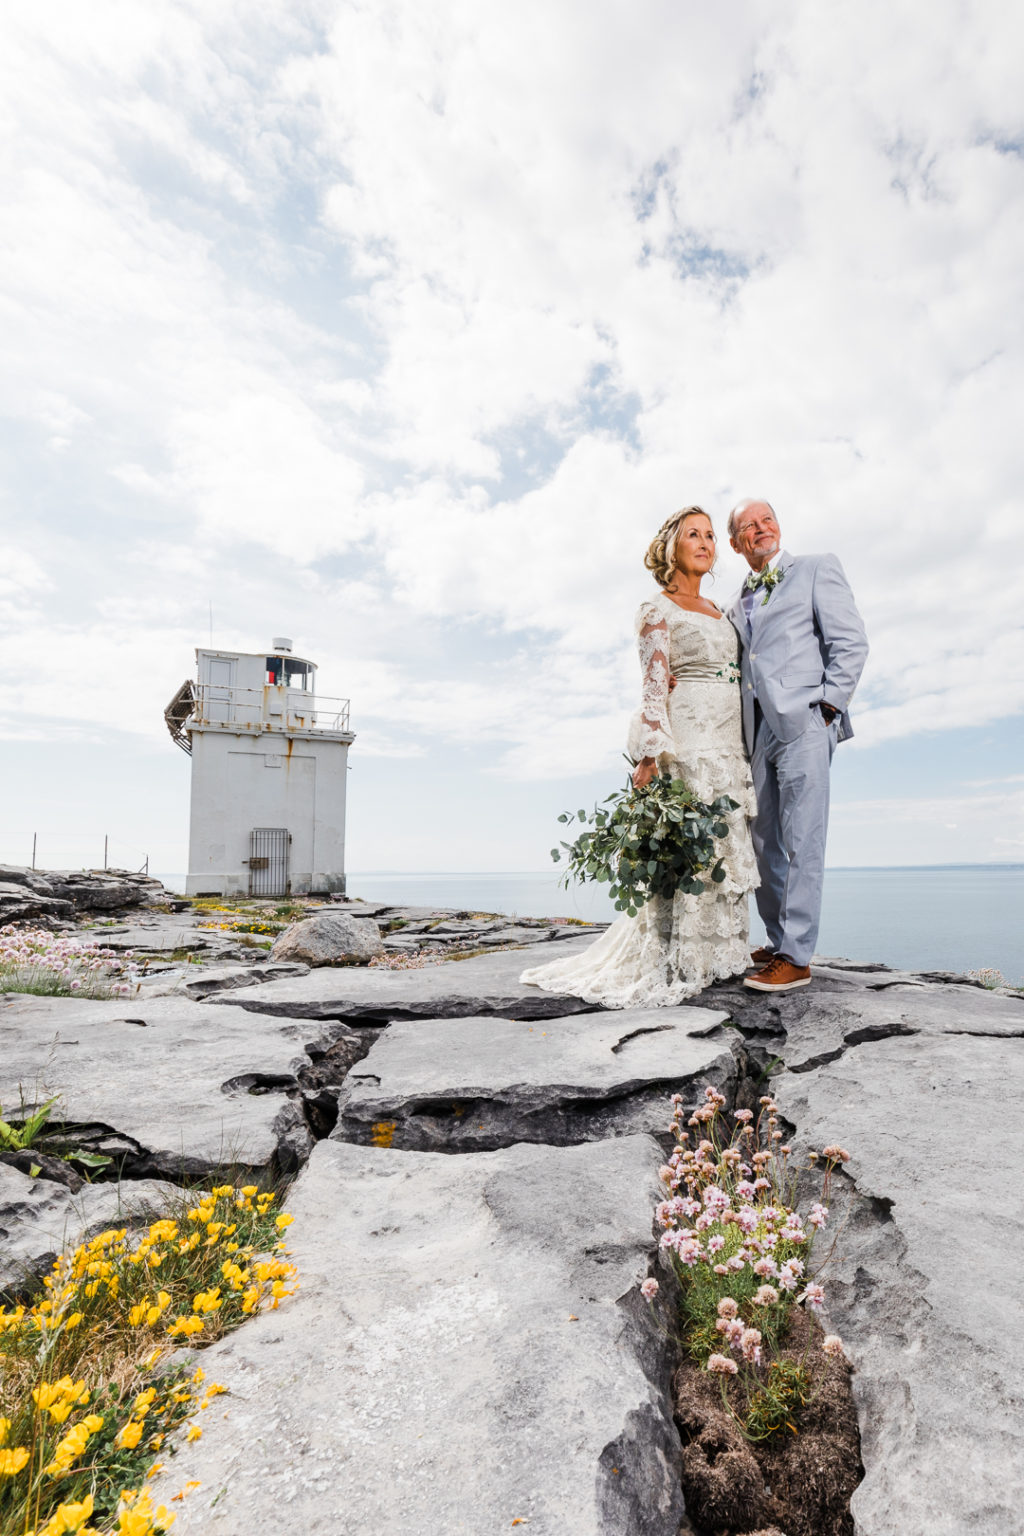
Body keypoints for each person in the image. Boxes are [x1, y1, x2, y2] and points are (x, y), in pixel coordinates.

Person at [521, 506, 758, 1008]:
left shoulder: (721, 610)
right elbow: (653, 687)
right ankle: (683, 958)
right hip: (689, 739)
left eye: (711, 535)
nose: (705, 542)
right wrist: (648, 760)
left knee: (724, 843)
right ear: (671, 545)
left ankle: (721, 956)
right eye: (693, 534)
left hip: (730, 739)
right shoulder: (657, 609)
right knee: (693, 849)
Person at [725, 498, 868, 993]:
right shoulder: (734, 602)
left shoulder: (814, 569)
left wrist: (828, 709)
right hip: (756, 731)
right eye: (748, 526)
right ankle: (780, 939)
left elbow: (850, 641)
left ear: (778, 527)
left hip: (806, 721)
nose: (761, 529)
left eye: (767, 520)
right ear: (736, 542)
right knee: (763, 842)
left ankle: (798, 957)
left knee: (804, 838)